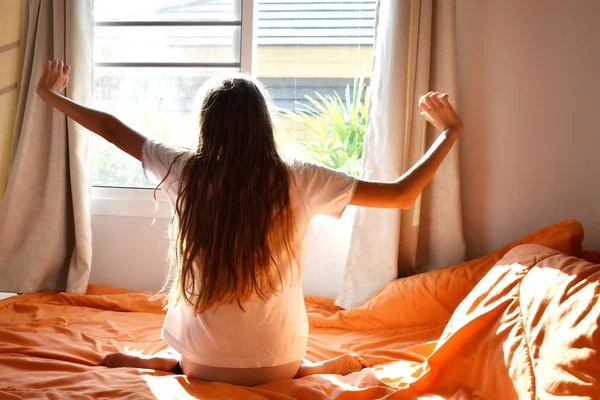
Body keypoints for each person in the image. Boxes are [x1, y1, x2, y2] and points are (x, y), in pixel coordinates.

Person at [36, 59, 463, 386]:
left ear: (209, 126)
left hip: (200, 364)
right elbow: (402, 194)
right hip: (281, 364)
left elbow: (112, 130)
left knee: (188, 357)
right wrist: (448, 133)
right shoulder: (300, 177)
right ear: (263, 125)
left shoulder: (185, 170)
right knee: (287, 359)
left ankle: (165, 364)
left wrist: (51, 95)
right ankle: (312, 370)